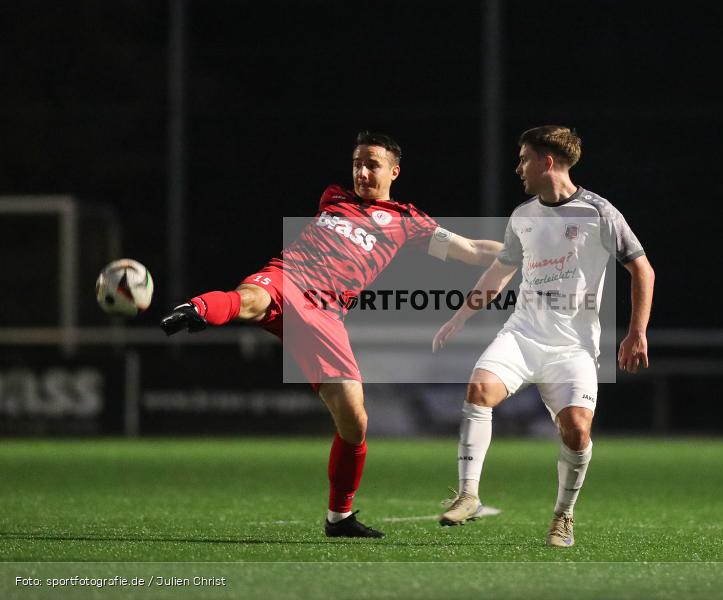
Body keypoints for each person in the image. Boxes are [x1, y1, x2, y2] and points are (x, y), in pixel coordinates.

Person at [160, 131, 502, 538]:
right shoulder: (333, 198)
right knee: (250, 297)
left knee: (354, 420)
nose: (361, 171)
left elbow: (471, 250)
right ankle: (196, 309)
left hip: (326, 315)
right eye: (357, 163)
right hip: (288, 279)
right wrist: (203, 308)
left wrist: (525, 251)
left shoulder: (407, 221)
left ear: (394, 171)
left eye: (372, 164)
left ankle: (339, 518)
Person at [432, 125, 654, 547]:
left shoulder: (599, 213)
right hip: (523, 334)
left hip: (573, 347)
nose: (518, 168)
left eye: (523, 158)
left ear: (546, 162)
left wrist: (636, 332)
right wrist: (459, 317)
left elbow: (642, 269)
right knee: (479, 389)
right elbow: (501, 271)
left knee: (577, 432)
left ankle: (563, 516)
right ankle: (468, 494)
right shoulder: (522, 216)